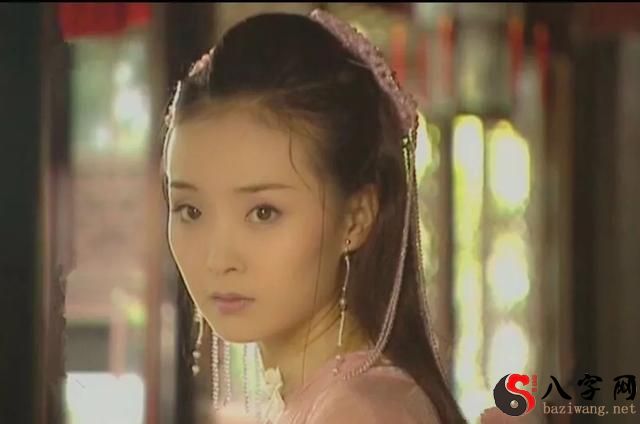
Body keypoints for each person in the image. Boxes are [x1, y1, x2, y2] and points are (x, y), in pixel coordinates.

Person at [161, 8, 487, 424]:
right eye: (191, 210)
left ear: (356, 218)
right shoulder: (341, 400)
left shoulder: (358, 413)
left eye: (263, 212)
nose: (217, 258)